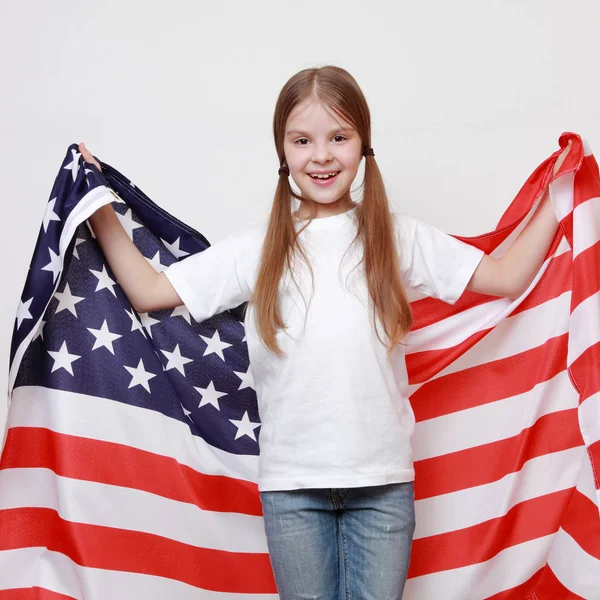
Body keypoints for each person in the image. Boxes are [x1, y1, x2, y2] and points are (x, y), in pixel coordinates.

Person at [81, 65, 570, 600]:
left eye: (339, 137)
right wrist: (98, 202)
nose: (321, 155)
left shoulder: (396, 237)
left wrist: (561, 191)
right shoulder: (261, 244)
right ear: (283, 151)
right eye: (302, 140)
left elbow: (506, 276)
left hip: (382, 484)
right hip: (293, 489)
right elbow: (149, 290)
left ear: (363, 144)